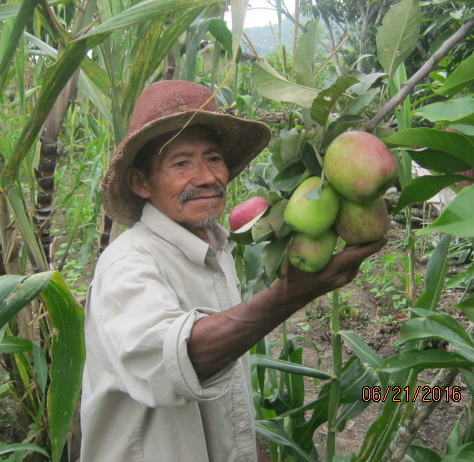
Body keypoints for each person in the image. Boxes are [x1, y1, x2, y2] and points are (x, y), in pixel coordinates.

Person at [80, 80, 386, 462]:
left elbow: (228, 380)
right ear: (141, 182)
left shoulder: (216, 248)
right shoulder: (130, 265)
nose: (207, 176)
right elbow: (175, 361)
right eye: (181, 163)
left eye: (213, 158)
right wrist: (288, 296)